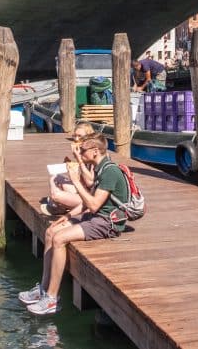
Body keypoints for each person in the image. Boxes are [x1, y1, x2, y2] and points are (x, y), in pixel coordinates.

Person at [19, 133, 129, 316]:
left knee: (60, 239)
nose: (79, 152)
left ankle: (52, 299)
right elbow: (88, 203)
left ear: (95, 151)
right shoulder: (99, 167)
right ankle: (44, 289)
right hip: (96, 216)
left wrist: (76, 181)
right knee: (51, 231)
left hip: (107, 222)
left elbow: (94, 204)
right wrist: (69, 215)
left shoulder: (110, 171)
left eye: (83, 149)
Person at [43, 122, 96, 216]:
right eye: (75, 136)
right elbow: (83, 182)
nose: (76, 139)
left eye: (80, 136)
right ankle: (62, 205)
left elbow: (90, 182)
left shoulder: (94, 154)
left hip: (92, 199)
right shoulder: (83, 152)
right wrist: (71, 166)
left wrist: (79, 159)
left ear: (89, 137)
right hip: (85, 191)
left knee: (56, 195)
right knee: (55, 177)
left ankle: (60, 206)